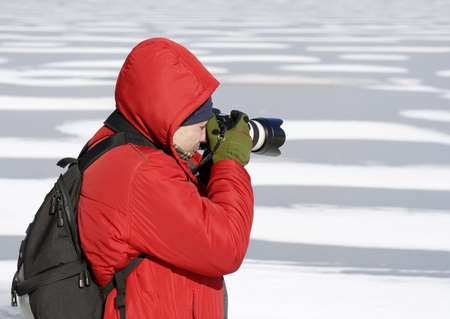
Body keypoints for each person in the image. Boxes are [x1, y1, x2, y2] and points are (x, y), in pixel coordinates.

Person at [78, 37, 254, 319]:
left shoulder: (123, 144)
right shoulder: (142, 174)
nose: (202, 137)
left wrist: (208, 164)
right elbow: (227, 246)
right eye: (198, 127)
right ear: (171, 118)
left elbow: (179, 191)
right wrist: (229, 161)